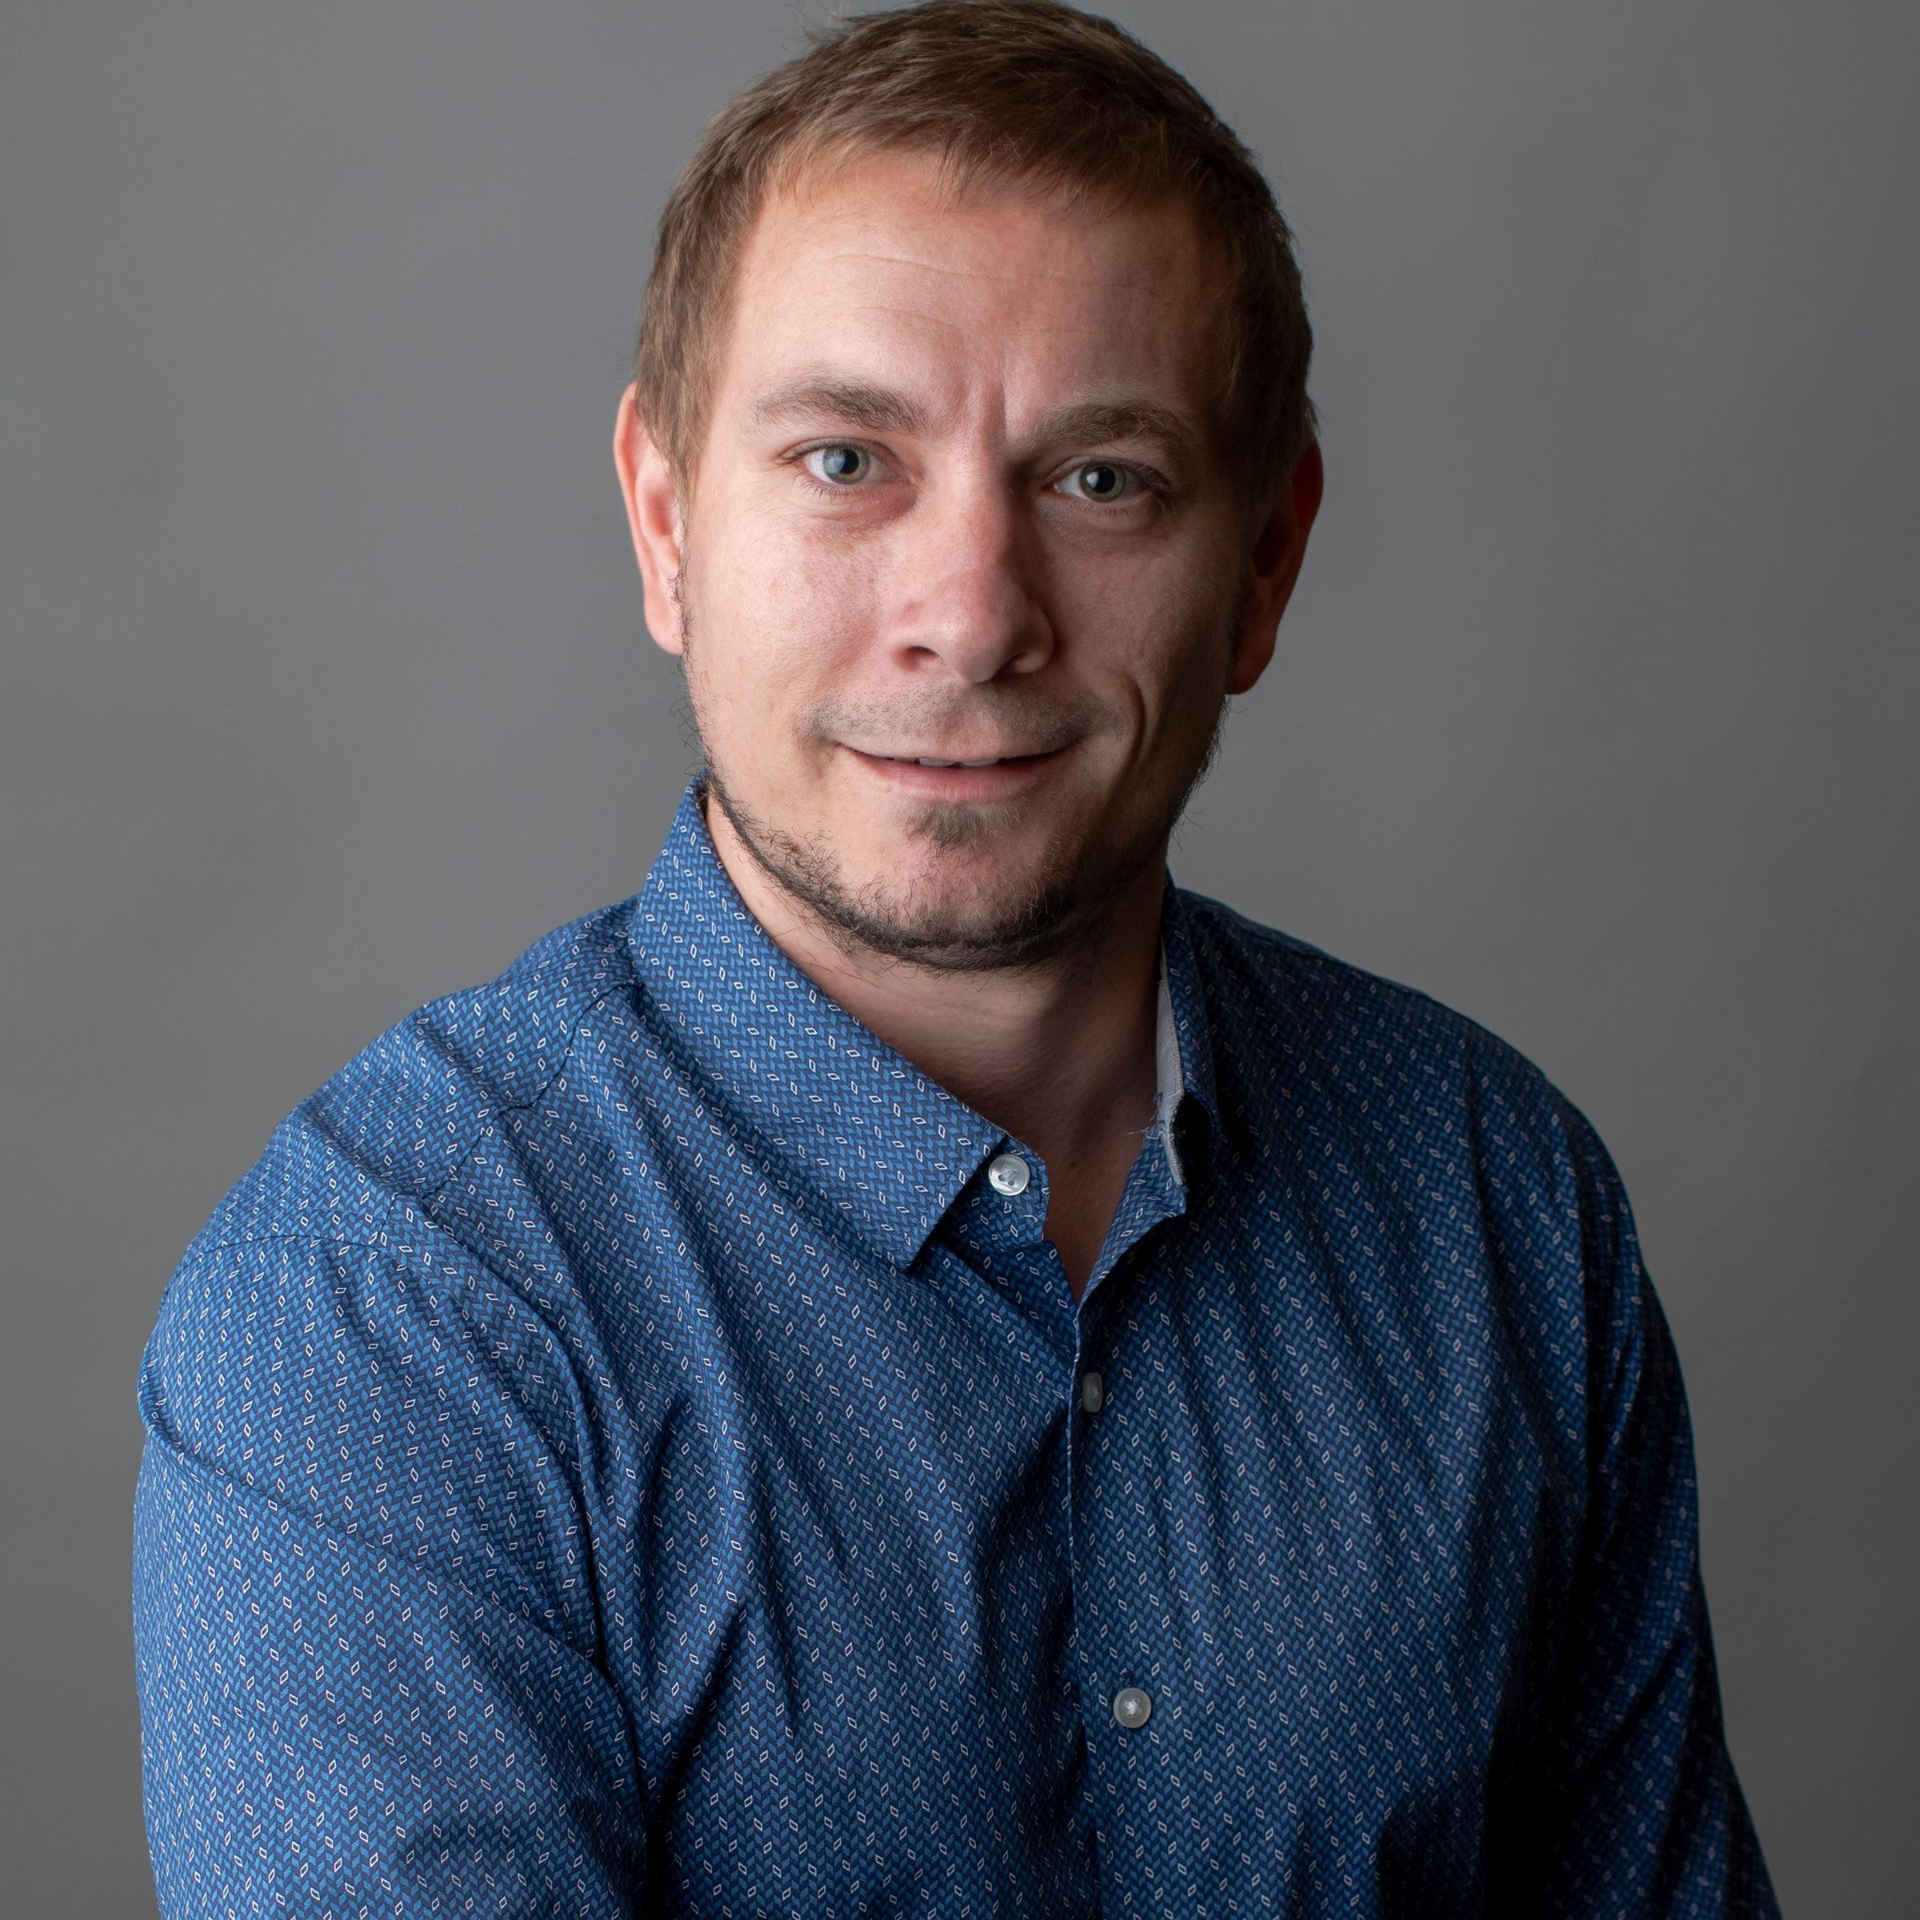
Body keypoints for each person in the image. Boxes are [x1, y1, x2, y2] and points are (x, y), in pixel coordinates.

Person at [131, 1, 1782, 1913]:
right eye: (847, 461)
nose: (972, 616)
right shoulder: (380, 1315)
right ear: (667, 522)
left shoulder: (1501, 1205)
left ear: (1263, 562)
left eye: (1103, 480)